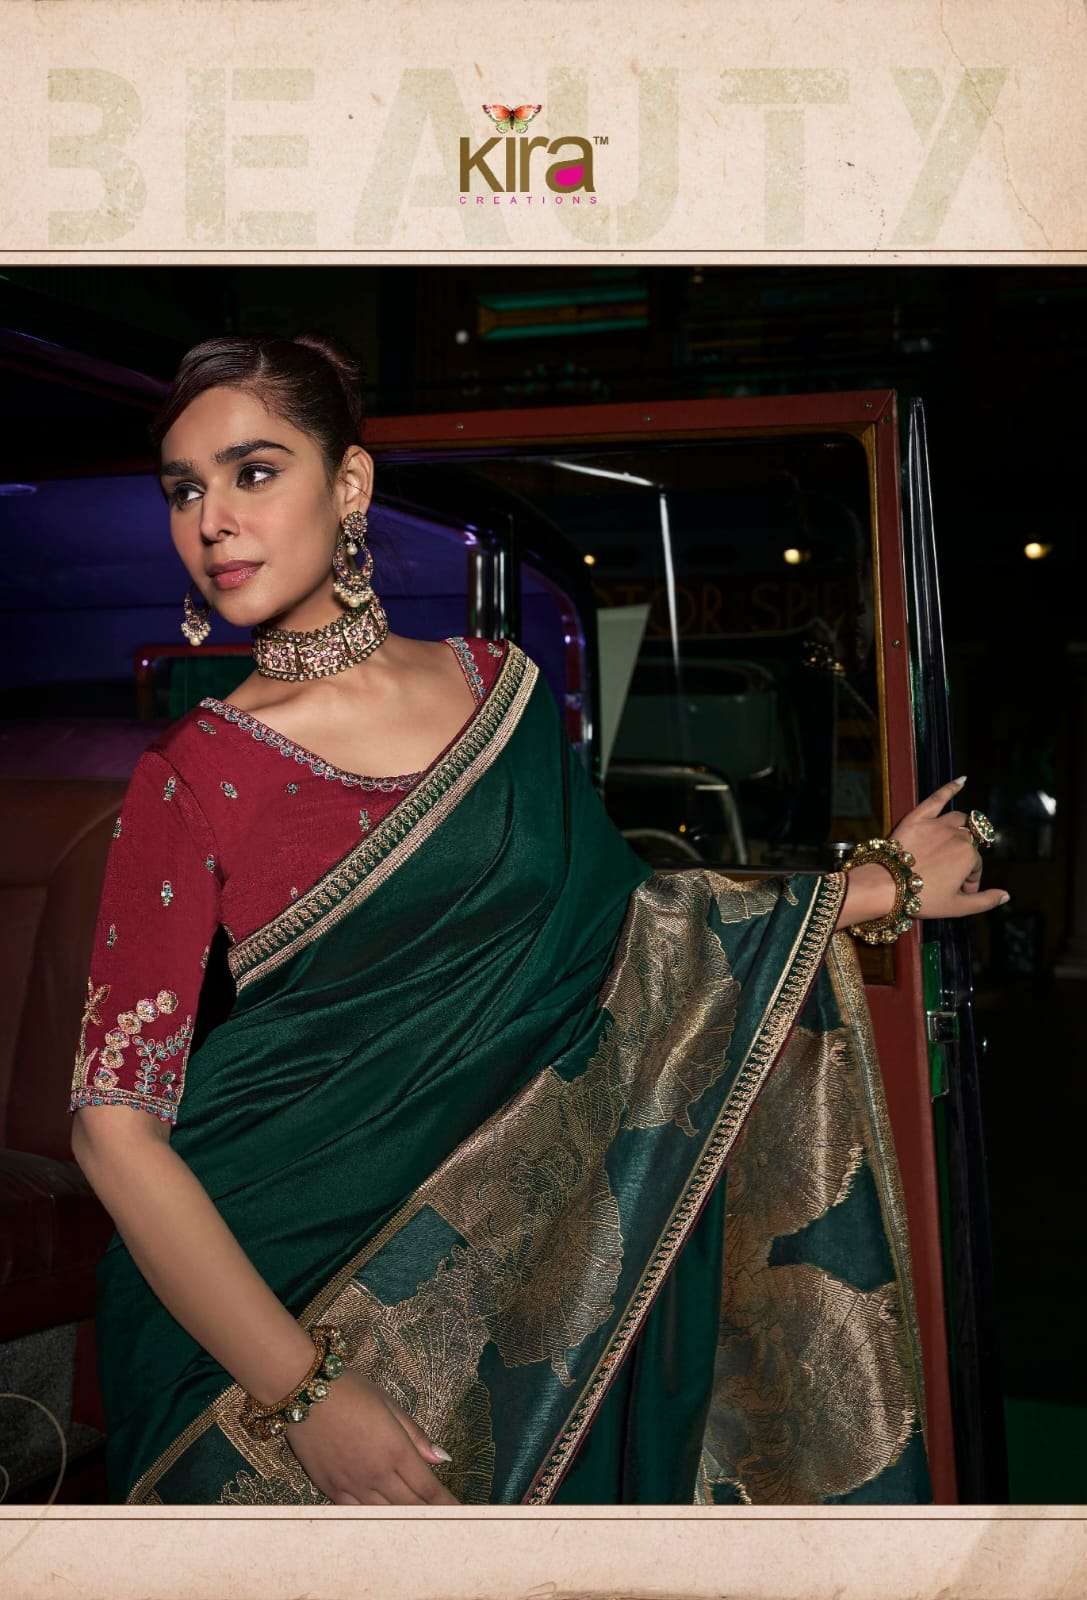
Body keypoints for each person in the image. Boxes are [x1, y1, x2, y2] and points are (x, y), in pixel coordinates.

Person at [69, 332, 1008, 1508]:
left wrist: (877, 885)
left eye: (253, 471)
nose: (212, 519)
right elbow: (112, 1132)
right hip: (261, 1292)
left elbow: (630, 942)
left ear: (349, 484)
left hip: (520, 1269)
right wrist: (303, 1393)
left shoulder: (498, 692)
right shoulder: (193, 775)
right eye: (183, 489)